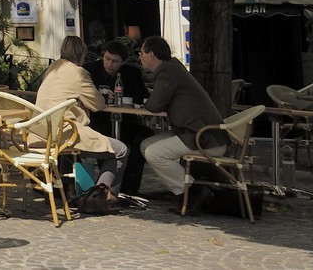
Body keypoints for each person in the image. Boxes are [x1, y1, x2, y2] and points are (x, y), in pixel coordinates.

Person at [137, 35, 224, 206]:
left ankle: (193, 192)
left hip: (203, 137)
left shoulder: (167, 71)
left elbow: (154, 105)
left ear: (151, 55)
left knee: (154, 153)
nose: (140, 57)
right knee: (146, 145)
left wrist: (142, 102)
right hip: (197, 132)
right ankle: (182, 191)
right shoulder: (173, 68)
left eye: (141, 53)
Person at [38, 35, 129, 196]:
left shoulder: (53, 69)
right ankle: (101, 197)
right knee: (120, 150)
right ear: (82, 55)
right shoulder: (78, 73)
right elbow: (98, 104)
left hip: (42, 132)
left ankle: (64, 192)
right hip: (67, 132)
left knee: (74, 152)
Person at [90, 40, 150, 195]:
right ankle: (105, 188)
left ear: (122, 62)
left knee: (144, 137)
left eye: (115, 61)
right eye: (107, 59)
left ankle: (129, 189)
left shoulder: (132, 73)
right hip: (98, 122)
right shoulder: (90, 70)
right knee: (106, 140)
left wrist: (125, 99)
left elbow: (143, 96)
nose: (110, 64)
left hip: (125, 122)